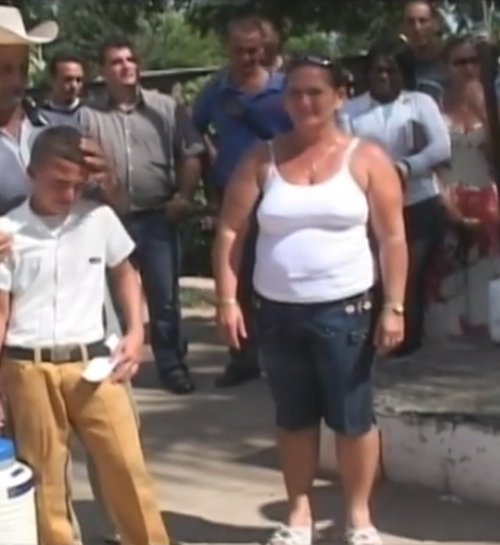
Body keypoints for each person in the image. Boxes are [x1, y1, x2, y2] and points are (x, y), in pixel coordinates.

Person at [0, 6, 126, 543]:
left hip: (85, 322)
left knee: (117, 459)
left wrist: (108, 182)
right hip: (11, 332)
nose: (17, 81)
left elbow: (110, 213)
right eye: (2, 70)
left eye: (20, 66)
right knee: (40, 463)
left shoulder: (62, 130)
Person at [214, 55, 408, 545]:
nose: (304, 102)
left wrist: (395, 305)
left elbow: (392, 238)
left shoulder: (367, 158)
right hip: (276, 314)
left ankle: (360, 519)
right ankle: (298, 515)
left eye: (315, 92)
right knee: (294, 418)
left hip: (346, 312)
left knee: (353, 419)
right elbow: (231, 231)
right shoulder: (263, 157)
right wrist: (226, 299)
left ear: (339, 95)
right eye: (295, 92)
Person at [0, 124, 170, 545]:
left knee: (126, 467)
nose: (67, 195)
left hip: (94, 365)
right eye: (57, 184)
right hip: (30, 366)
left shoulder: (97, 218)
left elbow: (125, 272)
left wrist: (137, 331)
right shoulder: (5, 230)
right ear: (31, 173)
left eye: (76, 185)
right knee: (45, 479)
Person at [80, 36, 204, 395]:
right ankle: (120, 364)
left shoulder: (166, 108)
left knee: (164, 296)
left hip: (157, 216)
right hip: (110, 219)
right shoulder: (88, 116)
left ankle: (172, 365)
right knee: (117, 301)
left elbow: (192, 153)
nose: (125, 66)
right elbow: (80, 160)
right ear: (104, 71)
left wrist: (184, 196)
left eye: (131, 59)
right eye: (116, 61)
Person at [192, 15, 292, 388]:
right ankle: (244, 356)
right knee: (240, 275)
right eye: (239, 51)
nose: (247, 58)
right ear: (228, 50)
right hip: (233, 195)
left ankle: (283, 354)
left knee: (279, 271)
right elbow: (193, 128)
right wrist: (211, 158)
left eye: (254, 51)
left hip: (277, 190)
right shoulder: (216, 92)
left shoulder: (282, 90)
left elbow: (298, 132)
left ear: (264, 50)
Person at [342, 38, 451, 359]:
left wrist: (405, 167)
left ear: (404, 72)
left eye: (391, 69)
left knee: (408, 277)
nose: (384, 75)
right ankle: (374, 344)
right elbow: (346, 151)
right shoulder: (351, 110)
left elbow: (440, 147)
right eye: (378, 69)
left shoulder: (420, 103)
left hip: (417, 201)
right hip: (370, 205)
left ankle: (408, 347)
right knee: (376, 274)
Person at [428, 35, 499, 338]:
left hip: (489, 195)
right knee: (450, 281)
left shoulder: (495, 101)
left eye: (474, 61)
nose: (468, 68)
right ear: (446, 66)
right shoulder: (433, 105)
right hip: (447, 196)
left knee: (488, 279)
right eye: (460, 62)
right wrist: (445, 203)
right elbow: (429, 162)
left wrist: (486, 111)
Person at [401, 0, 446, 103]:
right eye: (411, 22)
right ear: (403, 27)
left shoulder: (453, 60)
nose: (417, 28)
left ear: (436, 24)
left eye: (423, 21)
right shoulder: (397, 65)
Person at [40, 51, 86, 125]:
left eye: (78, 80)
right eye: (68, 79)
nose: (74, 85)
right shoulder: (39, 117)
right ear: (51, 80)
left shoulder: (93, 115)